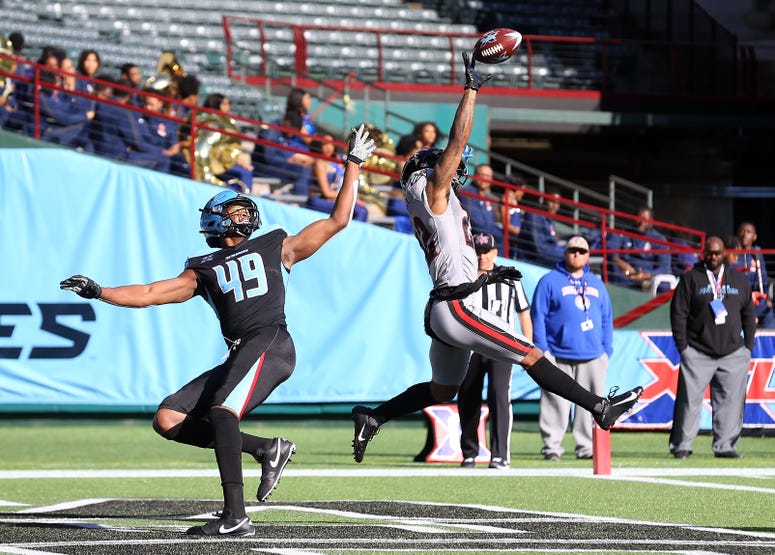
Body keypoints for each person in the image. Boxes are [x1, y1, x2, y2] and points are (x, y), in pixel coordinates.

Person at [60, 124, 376, 536]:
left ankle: (235, 516)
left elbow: (338, 220)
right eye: (234, 212)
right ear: (215, 221)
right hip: (242, 350)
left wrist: (352, 163)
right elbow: (151, 292)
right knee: (169, 417)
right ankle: (266, 449)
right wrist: (101, 291)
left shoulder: (275, 244)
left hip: (270, 341)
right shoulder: (202, 268)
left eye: (244, 211)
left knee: (223, 408)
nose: (243, 216)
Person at [349, 52, 643, 465]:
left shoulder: (433, 203)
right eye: (442, 166)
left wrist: (485, 277)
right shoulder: (433, 194)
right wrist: (472, 86)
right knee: (530, 353)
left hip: (449, 301)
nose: (453, 167)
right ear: (428, 172)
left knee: (442, 391)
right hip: (455, 305)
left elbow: (454, 252)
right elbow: (457, 143)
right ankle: (599, 407)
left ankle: (374, 416)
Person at [669, 236, 755, 460]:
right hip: (697, 351)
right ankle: (682, 446)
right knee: (689, 402)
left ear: (724, 253)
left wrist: (748, 346)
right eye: (710, 253)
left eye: (717, 253)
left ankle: (725, 446)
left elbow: (748, 313)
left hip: (734, 353)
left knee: (731, 403)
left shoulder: (739, 279)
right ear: (703, 253)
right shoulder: (691, 279)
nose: (714, 257)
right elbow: (678, 313)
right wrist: (683, 347)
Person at [531, 236, 614, 461]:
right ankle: (552, 447)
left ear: (588, 255)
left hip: (593, 355)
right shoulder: (549, 281)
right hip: (557, 354)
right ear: (565, 253)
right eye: (572, 250)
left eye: (581, 250)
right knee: (554, 402)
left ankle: (586, 447)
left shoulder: (596, 283)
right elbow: (537, 316)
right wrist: (543, 350)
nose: (576, 254)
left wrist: (607, 349)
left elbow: (607, 318)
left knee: (591, 403)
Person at [458, 233, 532, 470]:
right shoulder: (465, 275)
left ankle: (499, 455)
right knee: (468, 397)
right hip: (471, 346)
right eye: (478, 251)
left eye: (486, 251)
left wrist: (526, 347)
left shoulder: (509, 277)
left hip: (501, 346)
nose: (482, 256)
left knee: (499, 396)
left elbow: (523, 312)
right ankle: (469, 452)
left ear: (495, 252)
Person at [306, 133, 369, 222]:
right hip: (320, 199)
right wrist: (353, 199)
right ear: (320, 145)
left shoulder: (339, 161)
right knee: (360, 211)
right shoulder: (320, 163)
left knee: (362, 210)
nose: (328, 147)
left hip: (335, 198)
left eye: (331, 144)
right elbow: (327, 193)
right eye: (325, 144)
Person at [608, 206, 671, 291]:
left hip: (649, 276)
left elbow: (665, 267)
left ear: (651, 221)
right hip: (627, 273)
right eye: (639, 218)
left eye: (645, 219)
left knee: (664, 286)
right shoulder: (624, 233)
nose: (641, 222)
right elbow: (611, 250)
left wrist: (646, 275)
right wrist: (621, 263)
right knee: (613, 270)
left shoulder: (659, 239)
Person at [730, 221, 773, 328]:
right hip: (735, 299)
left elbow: (762, 279)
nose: (744, 234)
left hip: (755, 299)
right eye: (742, 231)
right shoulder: (732, 255)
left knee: (768, 313)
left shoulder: (757, 255)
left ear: (754, 237)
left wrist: (766, 296)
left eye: (748, 232)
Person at [459, 163, 504, 254]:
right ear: (475, 176)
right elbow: (475, 222)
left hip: (489, 238)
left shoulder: (487, 196)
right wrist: (499, 232)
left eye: (487, 176)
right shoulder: (467, 193)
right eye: (481, 175)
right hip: (475, 241)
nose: (484, 179)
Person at [520, 188, 565, 266]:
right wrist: (564, 254)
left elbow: (552, 244)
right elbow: (539, 249)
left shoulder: (550, 220)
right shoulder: (534, 215)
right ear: (544, 201)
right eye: (552, 202)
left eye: (557, 203)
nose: (555, 206)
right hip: (532, 260)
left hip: (548, 255)